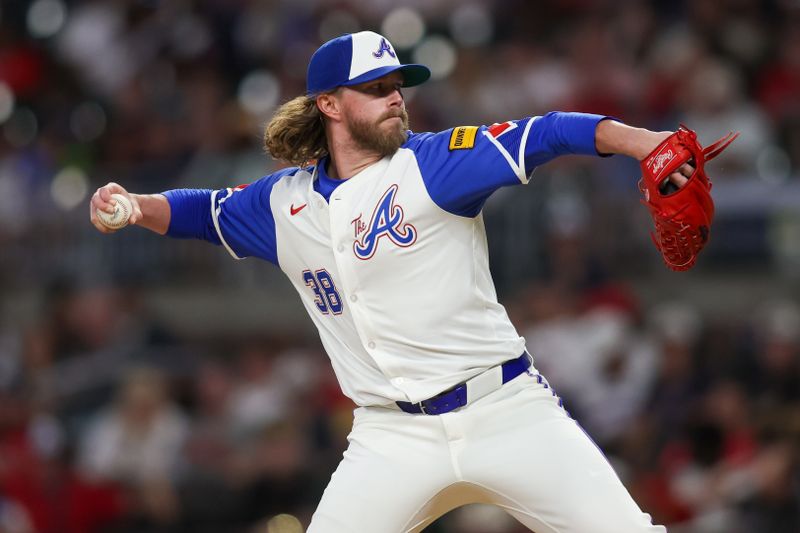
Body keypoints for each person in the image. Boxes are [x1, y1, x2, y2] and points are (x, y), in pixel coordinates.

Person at [91, 31, 687, 532]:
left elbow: (550, 131)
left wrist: (648, 143)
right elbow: (206, 210)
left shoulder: (435, 163)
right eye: (375, 89)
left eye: (397, 86)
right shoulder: (282, 203)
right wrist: (137, 205)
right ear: (329, 104)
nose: (395, 99)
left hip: (505, 408)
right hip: (390, 436)